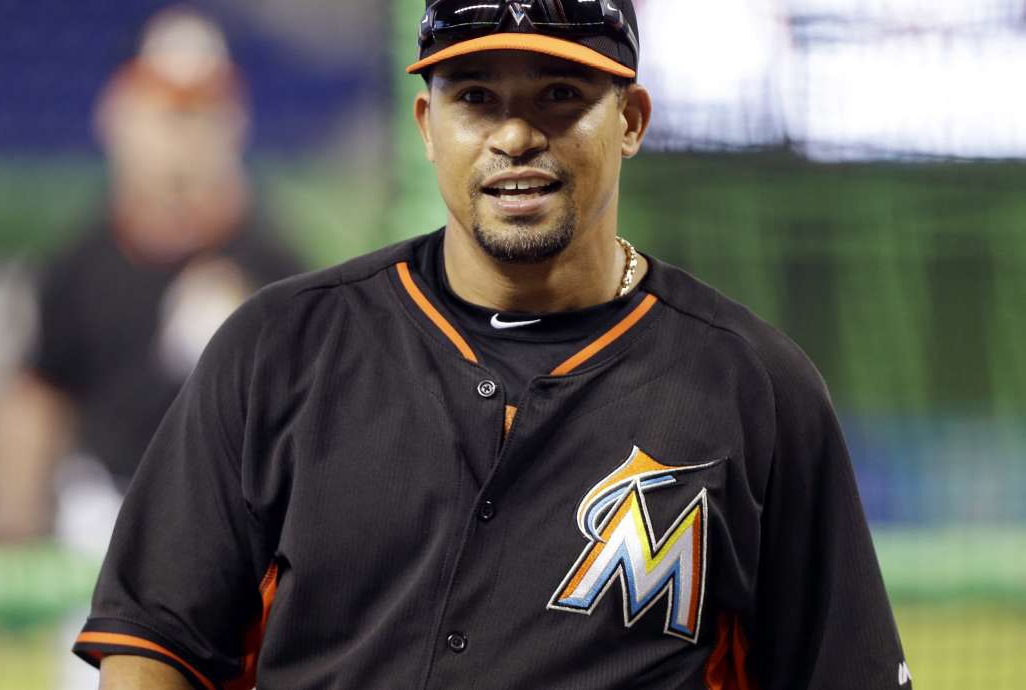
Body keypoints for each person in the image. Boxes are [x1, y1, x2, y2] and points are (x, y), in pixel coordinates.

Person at [73, 1, 910, 688]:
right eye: (476, 97)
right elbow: (155, 646)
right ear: (427, 125)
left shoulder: (753, 388)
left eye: (559, 94)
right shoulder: (280, 349)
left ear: (632, 120)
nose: (515, 135)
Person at [0, 5, 300, 549]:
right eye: (168, 109)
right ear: (119, 113)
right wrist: (5, 545)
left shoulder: (277, 270)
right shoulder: (81, 265)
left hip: (236, 530)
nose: (185, 131)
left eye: (203, 109)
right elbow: (36, 398)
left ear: (235, 118)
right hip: (103, 525)